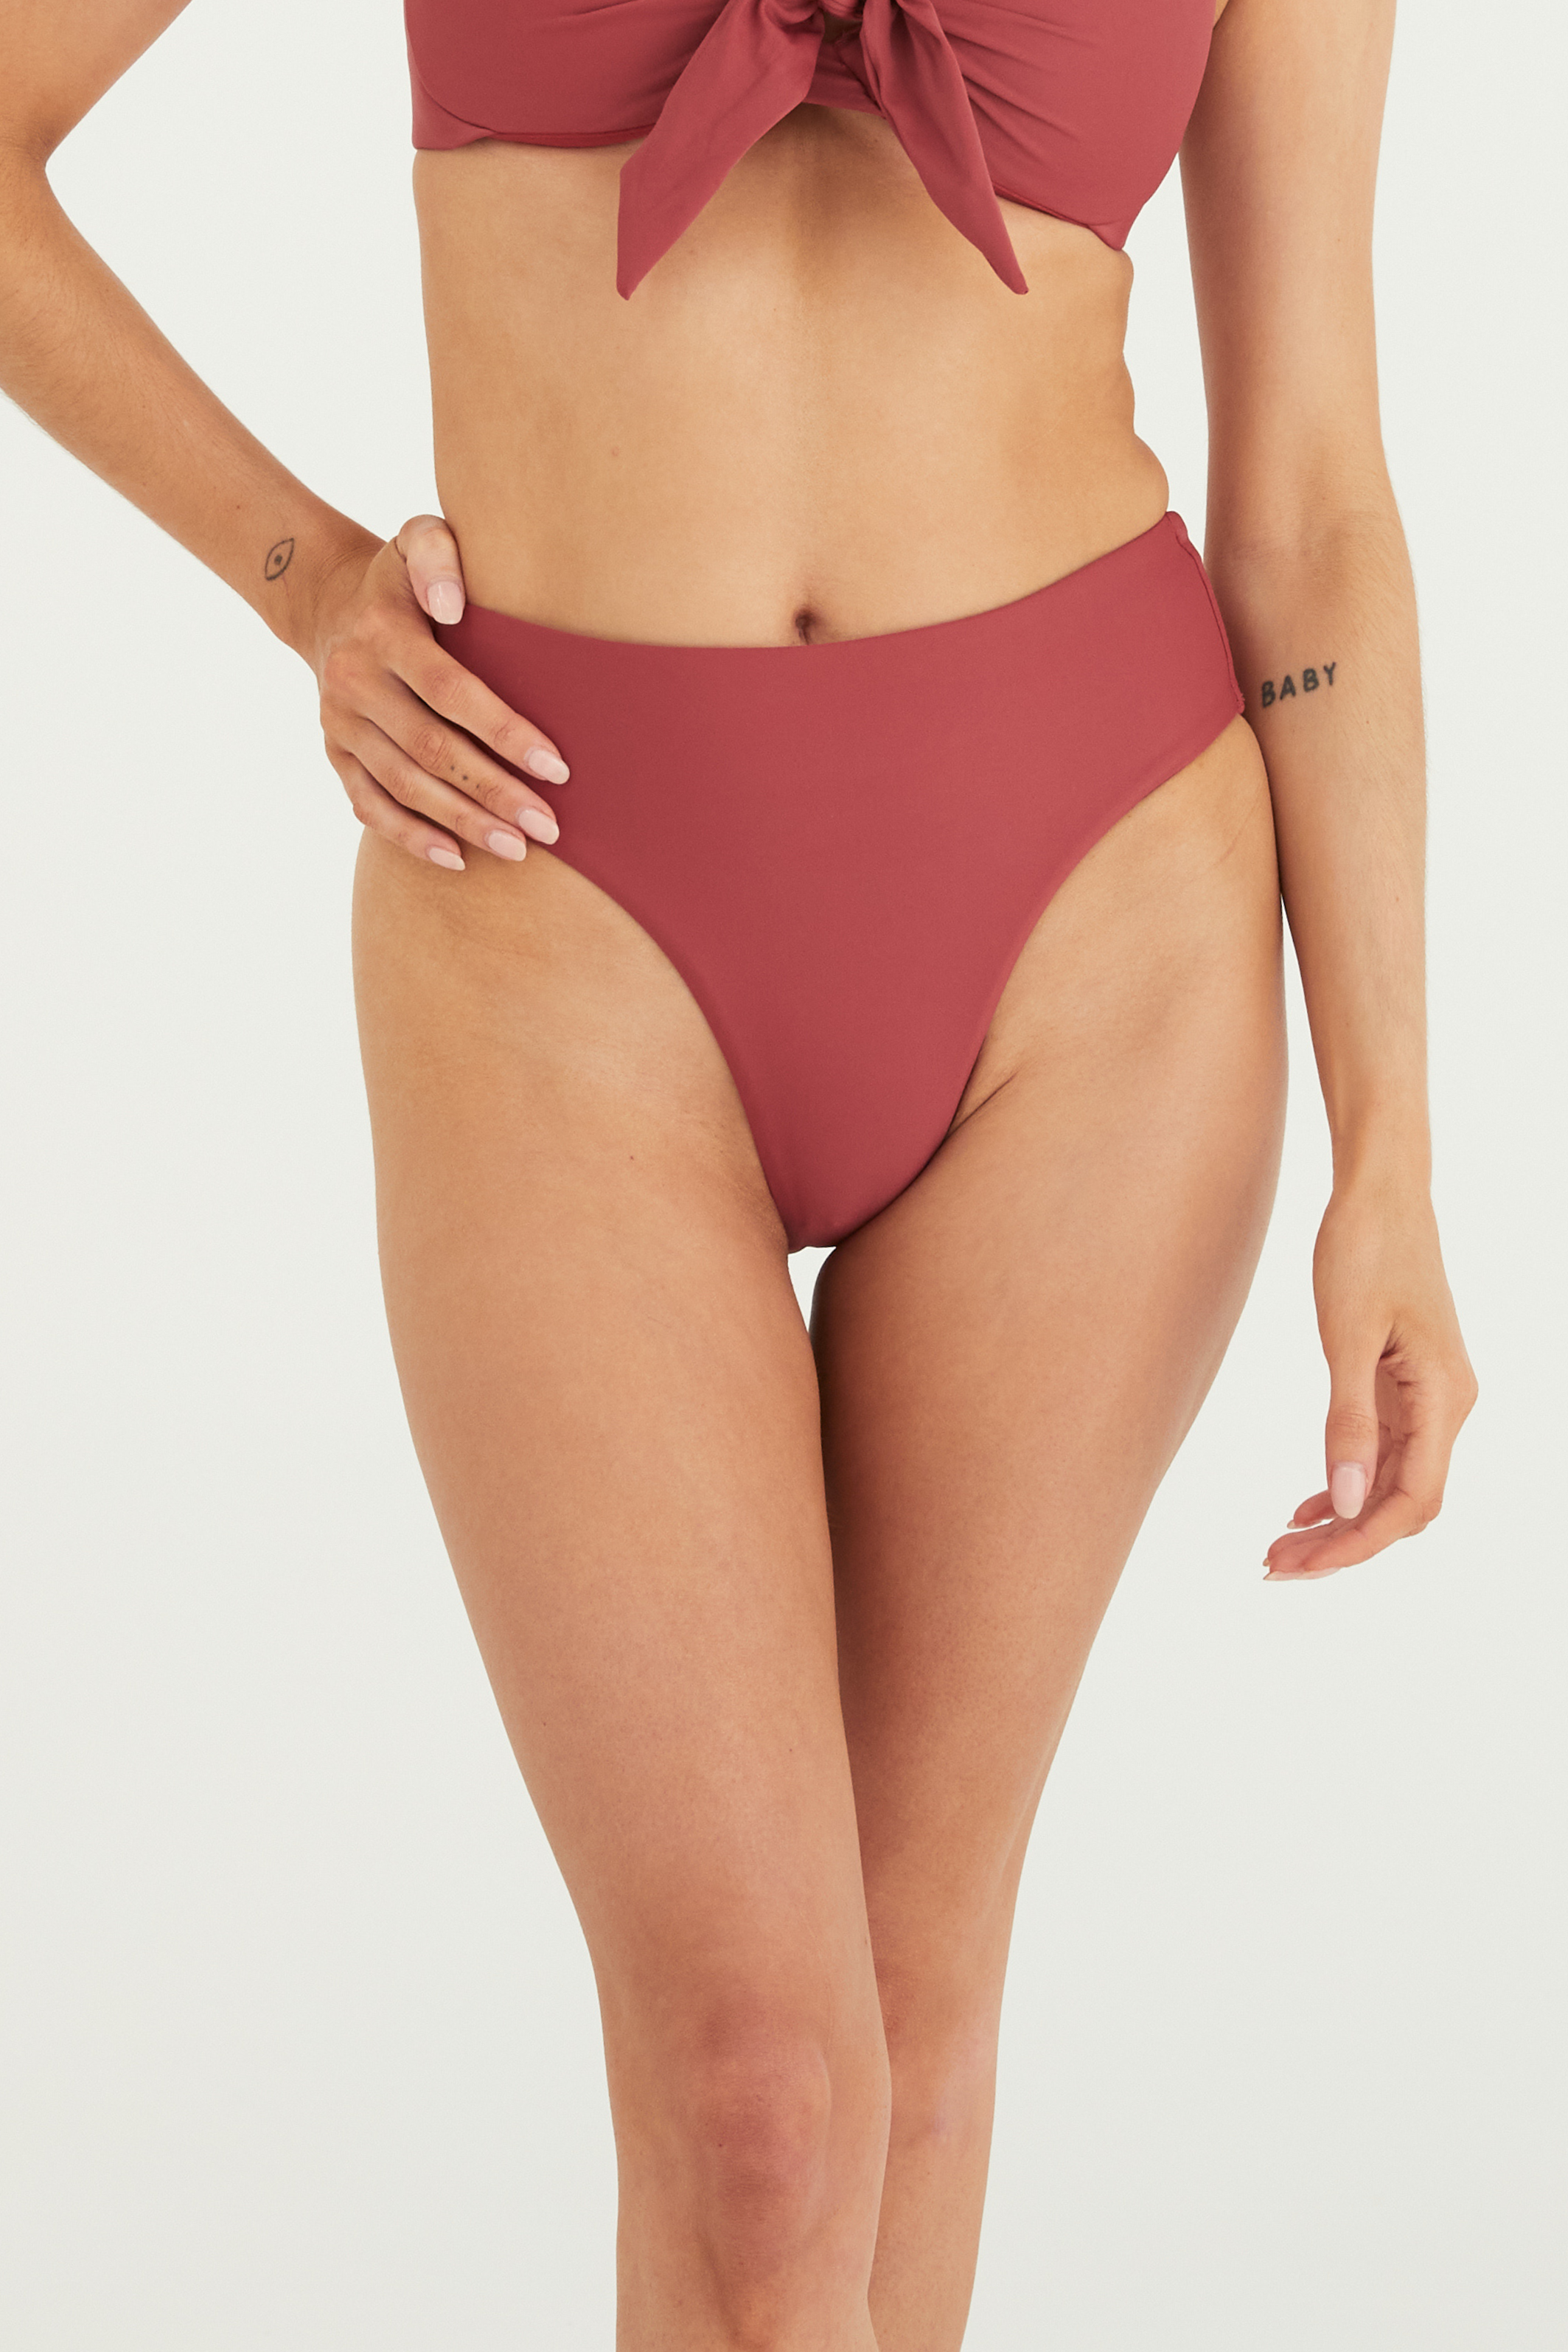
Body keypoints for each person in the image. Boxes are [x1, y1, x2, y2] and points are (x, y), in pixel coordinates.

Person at [0, 1, 1477, 2345]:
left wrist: (1389, 1146)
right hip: (551, 896)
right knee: (761, 2095)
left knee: (911, 2009)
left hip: (1097, 918)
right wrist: (301, 576)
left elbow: (1305, 489)